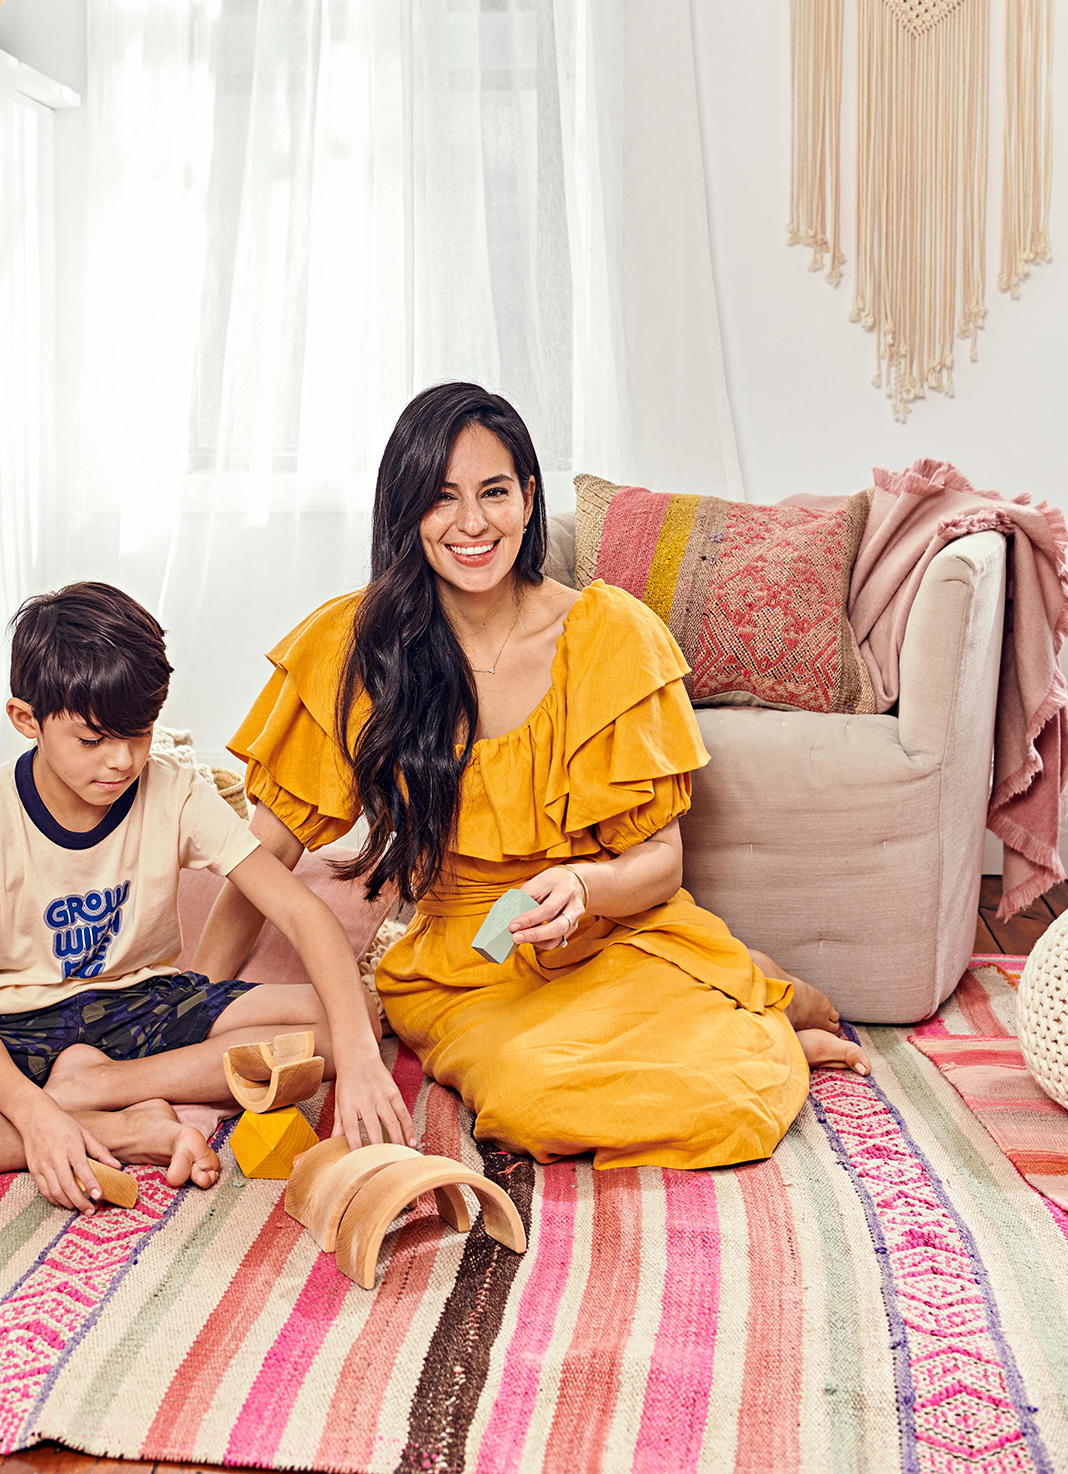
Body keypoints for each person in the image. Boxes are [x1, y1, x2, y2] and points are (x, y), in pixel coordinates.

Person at [197, 383, 868, 1170]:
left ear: (530, 498)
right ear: (404, 512)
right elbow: (262, 850)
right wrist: (188, 1000)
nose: (472, 524)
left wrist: (585, 889)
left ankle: (755, 1012)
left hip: (604, 933)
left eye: (494, 493)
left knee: (726, 1099)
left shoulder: (609, 634)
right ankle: (751, 1007)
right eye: (441, 498)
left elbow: (660, 862)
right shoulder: (356, 644)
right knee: (532, 1101)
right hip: (466, 969)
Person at [0, 583, 412, 1210]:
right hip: (11, 1026)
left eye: (140, 733)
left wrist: (357, 1057)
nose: (122, 761)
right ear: (27, 720)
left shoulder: (175, 790)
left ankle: (103, 1087)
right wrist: (32, 1116)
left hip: (143, 1004)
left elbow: (298, 909)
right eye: (92, 739)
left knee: (350, 1021)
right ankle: (109, 1126)